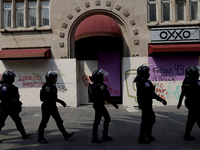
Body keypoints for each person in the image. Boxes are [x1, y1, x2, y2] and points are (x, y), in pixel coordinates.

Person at [134, 65, 167, 144]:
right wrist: (161, 100)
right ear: (144, 73)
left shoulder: (140, 80)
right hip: (146, 104)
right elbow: (151, 93)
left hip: (144, 103)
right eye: (148, 72)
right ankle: (142, 138)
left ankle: (147, 134)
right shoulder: (145, 82)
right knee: (146, 121)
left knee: (151, 119)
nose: (149, 74)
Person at [38, 71, 74, 144]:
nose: (55, 79)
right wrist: (60, 101)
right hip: (47, 107)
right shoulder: (47, 86)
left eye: (55, 78)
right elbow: (49, 97)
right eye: (54, 78)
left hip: (52, 106)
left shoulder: (52, 85)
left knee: (59, 121)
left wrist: (59, 101)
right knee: (44, 122)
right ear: (49, 79)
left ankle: (65, 135)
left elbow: (53, 97)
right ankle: (40, 138)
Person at [0, 70, 33, 141]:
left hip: (12, 107)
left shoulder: (10, 85)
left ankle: (24, 134)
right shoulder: (4, 86)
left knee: (18, 120)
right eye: (11, 77)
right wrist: (14, 100)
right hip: (5, 107)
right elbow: (5, 97)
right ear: (7, 78)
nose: (13, 79)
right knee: (1, 122)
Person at [88, 69, 119, 144]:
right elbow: (106, 96)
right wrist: (113, 103)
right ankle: (95, 137)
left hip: (97, 104)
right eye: (102, 76)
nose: (103, 78)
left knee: (105, 119)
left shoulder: (95, 84)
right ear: (99, 77)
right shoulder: (100, 85)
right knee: (99, 121)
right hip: (99, 105)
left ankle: (103, 135)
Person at [177, 66, 200, 141]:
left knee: (191, 118)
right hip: (196, 102)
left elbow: (182, 93)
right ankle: (186, 135)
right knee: (195, 119)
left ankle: (187, 134)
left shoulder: (185, 82)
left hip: (189, 101)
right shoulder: (196, 82)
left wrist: (179, 103)